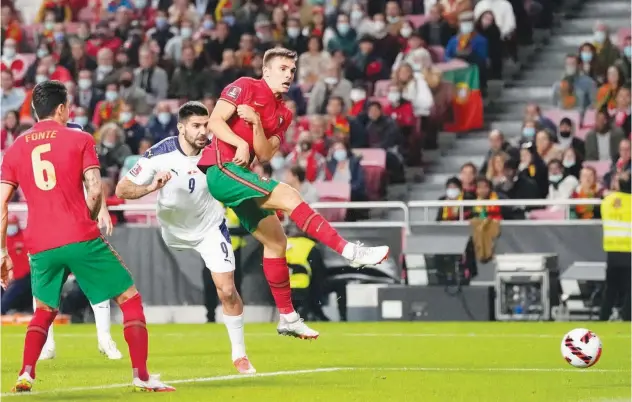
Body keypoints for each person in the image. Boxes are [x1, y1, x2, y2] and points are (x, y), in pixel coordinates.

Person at [198, 48, 389, 339]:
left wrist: (257, 124)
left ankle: (287, 317)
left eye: (292, 70)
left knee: (277, 242)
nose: (289, 75)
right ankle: (350, 251)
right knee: (289, 196)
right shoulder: (245, 86)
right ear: (267, 71)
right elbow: (214, 121)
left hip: (243, 174)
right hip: (222, 169)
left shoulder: (284, 112)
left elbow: (264, 153)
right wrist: (239, 143)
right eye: (283, 68)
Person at [0, 80, 174, 393]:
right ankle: (142, 376)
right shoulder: (79, 138)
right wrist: (89, 218)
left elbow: (1, 204)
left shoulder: (14, 148)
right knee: (129, 299)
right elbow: (95, 189)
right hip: (79, 235)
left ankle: (26, 373)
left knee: (43, 311)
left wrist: (1, 253)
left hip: (39, 244)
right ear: (62, 108)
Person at [115, 101, 254, 374]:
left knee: (227, 289)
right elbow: (122, 189)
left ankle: (239, 355)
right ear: (181, 127)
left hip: (210, 227)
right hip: (173, 232)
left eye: (206, 125)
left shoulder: (217, 151)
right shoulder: (159, 154)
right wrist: (151, 188)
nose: (204, 131)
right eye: (196, 126)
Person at [599, 172, 631, 321]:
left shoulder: (607, 201)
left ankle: (603, 317)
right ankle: (627, 317)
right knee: (629, 289)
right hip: (629, 251)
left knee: (610, 289)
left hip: (612, 251)